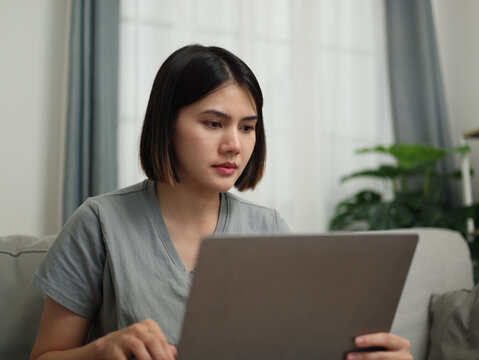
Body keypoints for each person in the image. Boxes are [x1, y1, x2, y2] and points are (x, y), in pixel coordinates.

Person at [30, 44, 412, 360]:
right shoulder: (99, 222)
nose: (235, 145)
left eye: (247, 127)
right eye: (214, 123)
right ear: (166, 124)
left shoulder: (271, 229)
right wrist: (100, 350)